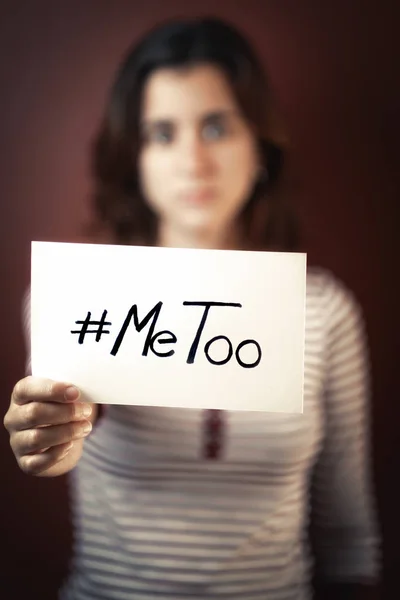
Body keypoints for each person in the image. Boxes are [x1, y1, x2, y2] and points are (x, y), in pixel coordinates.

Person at [3, 17, 380, 600]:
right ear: (136, 158)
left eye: (216, 126)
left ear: (259, 146)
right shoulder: (75, 293)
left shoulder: (325, 312)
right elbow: (69, 434)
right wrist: (50, 440)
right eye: (161, 133)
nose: (192, 161)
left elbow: (349, 530)